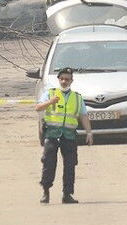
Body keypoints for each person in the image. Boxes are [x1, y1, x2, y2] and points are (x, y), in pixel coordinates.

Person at [33, 67, 93, 204]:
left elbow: (83, 115)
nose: (64, 81)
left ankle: (67, 194)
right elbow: (38, 108)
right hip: (52, 134)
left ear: (71, 81)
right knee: (48, 163)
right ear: (58, 80)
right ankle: (45, 192)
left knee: (70, 166)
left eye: (67, 79)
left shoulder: (77, 97)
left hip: (69, 136)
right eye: (62, 79)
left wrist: (89, 132)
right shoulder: (50, 93)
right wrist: (50, 102)